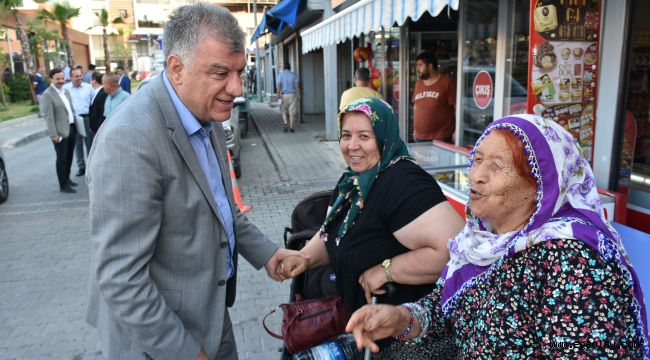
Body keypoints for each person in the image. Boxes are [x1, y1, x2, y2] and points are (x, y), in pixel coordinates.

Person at [86, 4, 305, 359]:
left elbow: (223, 210)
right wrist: (186, 352)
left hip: (211, 316)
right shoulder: (129, 139)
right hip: (158, 341)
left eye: (239, 71)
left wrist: (269, 254)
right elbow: (122, 279)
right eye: (220, 72)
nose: (235, 88)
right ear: (176, 69)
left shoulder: (207, 116)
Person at [346, 115, 650, 358]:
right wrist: (402, 318)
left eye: (497, 165)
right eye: (477, 160)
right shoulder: (484, 240)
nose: (476, 175)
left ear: (541, 185)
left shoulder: (572, 261)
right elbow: (446, 308)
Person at [277, 97, 464, 359]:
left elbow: (455, 251)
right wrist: (305, 257)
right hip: (372, 332)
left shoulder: (403, 182)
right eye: (346, 135)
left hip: (408, 342)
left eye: (364, 136)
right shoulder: (355, 180)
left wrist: (385, 271)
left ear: (383, 136)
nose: (352, 145)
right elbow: (335, 232)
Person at [42, 67, 79, 194]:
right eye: (57, 79)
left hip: (71, 129)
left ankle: (67, 178)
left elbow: (70, 110)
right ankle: (63, 184)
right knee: (61, 157)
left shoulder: (66, 91)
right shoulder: (47, 94)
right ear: (51, 79)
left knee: (69, 156)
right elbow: (49, 116)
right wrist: (53, 134)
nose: (61, 81)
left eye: (62, 78)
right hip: (59, 132)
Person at [412, 51, 456, 143]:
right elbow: (416, 107)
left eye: (420, 65)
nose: (417, 68)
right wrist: (415, 130)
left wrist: (457, 131)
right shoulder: (418, 83)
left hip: (441, 136)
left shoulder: (447, 82)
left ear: (430, 66)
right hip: (420, 137)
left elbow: (456, 107)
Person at [65, 68, 94, 177]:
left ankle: (91, 167)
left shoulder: (88, 88)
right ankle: (81, 167)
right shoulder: (66, 89)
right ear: (71, 77)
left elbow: (93, 102)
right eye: (76, 76)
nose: (79, 78)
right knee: (78, 145)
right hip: (74, 119)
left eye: (80, 75)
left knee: (89, 143)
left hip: (86, 118)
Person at [276, 62, 299, 133]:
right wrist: (299, 94)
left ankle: (286, 123)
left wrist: (278, 94)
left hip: (284, 95)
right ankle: (291, 127)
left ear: (284, 68)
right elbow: (297, 86)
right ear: (290, 67)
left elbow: (278, 85)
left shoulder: (281, 75)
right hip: (292, 95)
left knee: (284, 110)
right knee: (292, 112)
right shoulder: (293, 75)